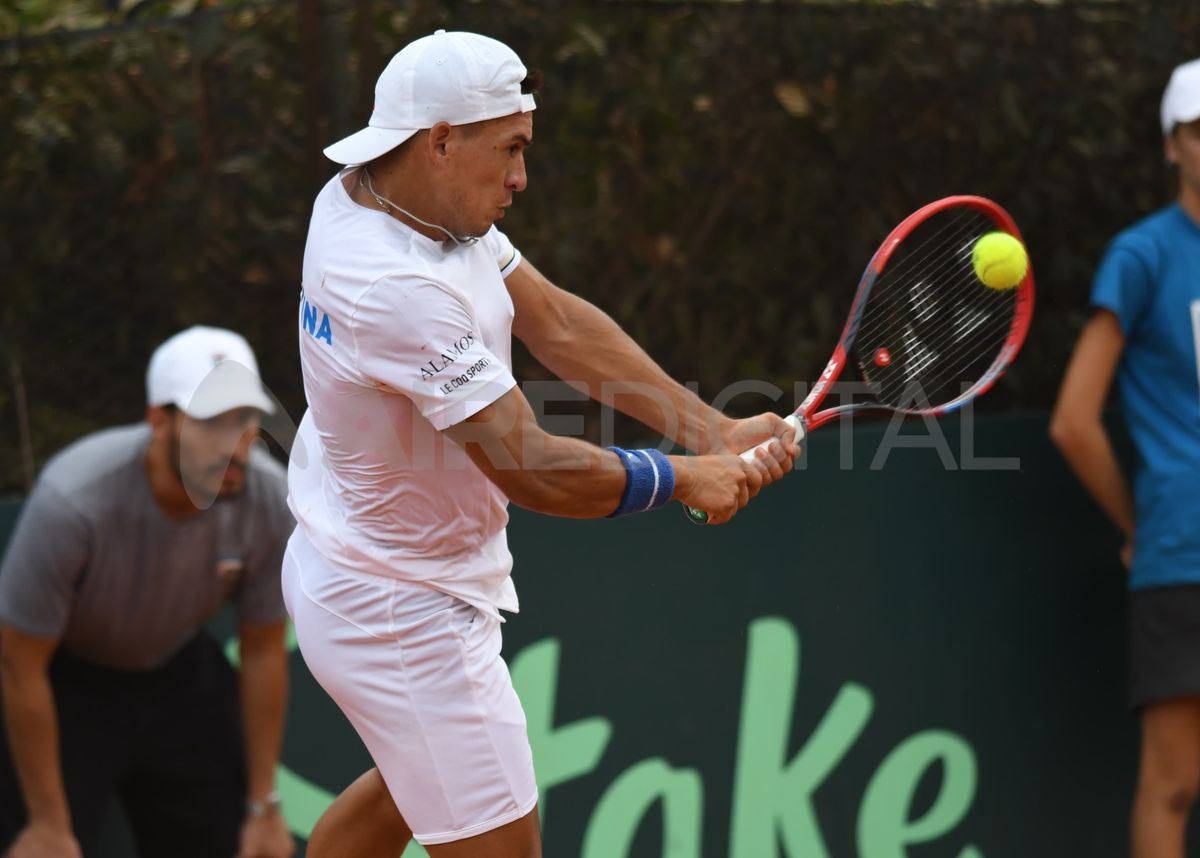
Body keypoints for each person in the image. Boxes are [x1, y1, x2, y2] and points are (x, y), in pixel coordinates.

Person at [283, 29, 801, 858]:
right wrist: (684, 477)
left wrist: (716, 430)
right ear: (441, 141)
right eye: (511, 150)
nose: (523, 176)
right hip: (399, 603)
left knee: (415, 791)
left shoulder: (394, 195)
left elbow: (555, 321)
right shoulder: (390, 286)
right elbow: (531, 466)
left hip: (361, 562)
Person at [0, 326, 296, 858]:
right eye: (211, 421)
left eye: (244, 419)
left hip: (179, 675)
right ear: (159, 421)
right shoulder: (74, 500)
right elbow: (19, 664)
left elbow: (262, 650)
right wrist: (46, 821)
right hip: (64, 682)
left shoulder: (270, 498)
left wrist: (264, 805)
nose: (235, 441)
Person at [1050, 58, 1200, 858]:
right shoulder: (1142, 257)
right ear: (1172, 146)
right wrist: (1139, 523)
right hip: (1184, 551)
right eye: (1198, 132)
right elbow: (1075, 420)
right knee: (1173, 784)